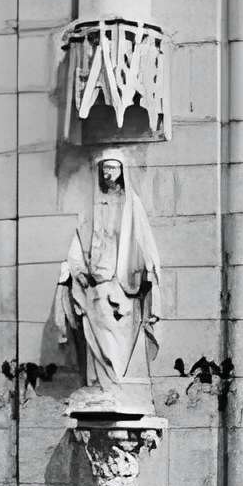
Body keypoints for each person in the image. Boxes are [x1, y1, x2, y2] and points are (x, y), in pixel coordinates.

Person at [53, 150, 162, 404]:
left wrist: (150, 268)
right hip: (98, 282)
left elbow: (144, 240)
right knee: (97, 330)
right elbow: (79, 240)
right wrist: (77, 269)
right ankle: (103, 384)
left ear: (123, 172)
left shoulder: (132, 205)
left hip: (125, 284)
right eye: (104, 169)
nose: (108, 174)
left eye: (112, 168)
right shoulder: (92, 207)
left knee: (120, 338)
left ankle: (117, 385)